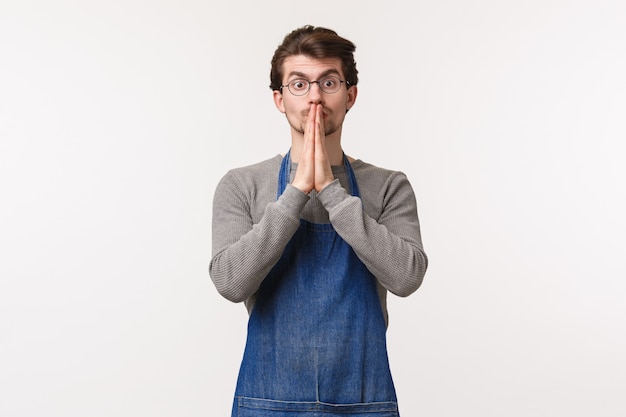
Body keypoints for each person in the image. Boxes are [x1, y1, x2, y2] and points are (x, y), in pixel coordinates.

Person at [209, 25, 428, 417]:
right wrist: (295, 193)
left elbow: (407, 277)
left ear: (350, 95)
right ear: (279, 99)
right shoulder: (241, 185)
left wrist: (330, 189)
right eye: (299, 84)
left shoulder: (389, 186)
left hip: (364, 403)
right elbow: (229, 282)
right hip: (267, 404)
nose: (314, 96)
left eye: (328, 82)